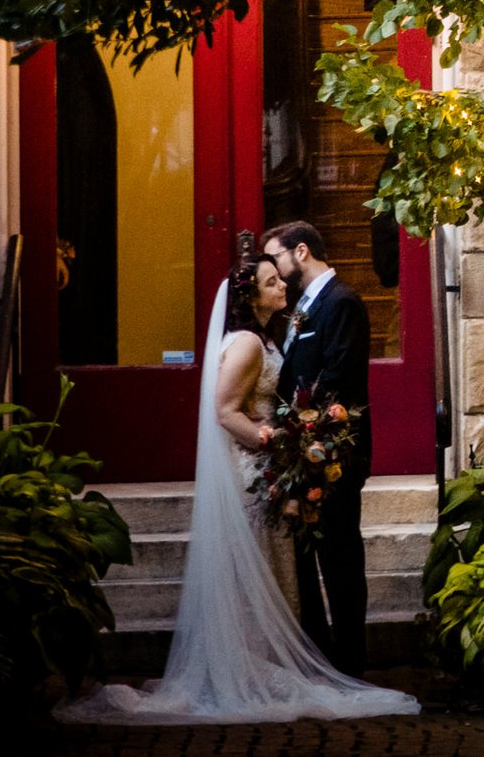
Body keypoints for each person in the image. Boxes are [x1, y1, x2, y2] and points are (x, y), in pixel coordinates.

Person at [55, 235, 416, 724]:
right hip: (259, 465)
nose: (280, 284)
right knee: (267, 568)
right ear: (251, 298)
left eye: (278, 272)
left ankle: (295, 662)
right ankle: (259, 668)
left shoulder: (284, 327)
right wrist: (277, 443)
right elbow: (226, 411)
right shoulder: (248, 342)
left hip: (285, 466)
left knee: (287, 566)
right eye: (270, 282)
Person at [266, 221, 375, 678]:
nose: (273, 268)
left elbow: (337, 379)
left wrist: (302, 435)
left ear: (302, 252)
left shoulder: (342, 303)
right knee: (304, 560)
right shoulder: (301, 309)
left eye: (277, 258)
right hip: (301, 453)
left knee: (340, 557)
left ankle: (350, 661)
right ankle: (318, 656)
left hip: (333, 452)